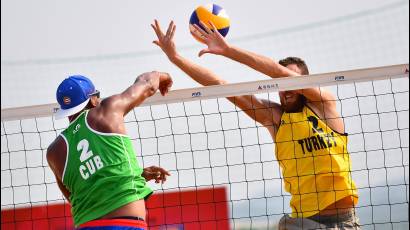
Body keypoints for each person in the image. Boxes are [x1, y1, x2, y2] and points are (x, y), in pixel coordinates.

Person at [151, 20, 360, 229]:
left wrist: (228, 50)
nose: (285, 89)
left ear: (304, 83)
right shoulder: (275, 118)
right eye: (281, 86)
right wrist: (175, 57)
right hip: (304, 222)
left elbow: (279, 73)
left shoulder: (324, 106)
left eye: (291, 82)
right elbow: (220, 85)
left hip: (343, 222)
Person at [47, 72, 173, 230]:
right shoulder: (106, 111)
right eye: (97, 96)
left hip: (86, 225)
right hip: (125, 224)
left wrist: (135, 175)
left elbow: (78, 196)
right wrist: (164, 76)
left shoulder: (53, 152)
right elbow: (147, 82)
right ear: (93, 99)